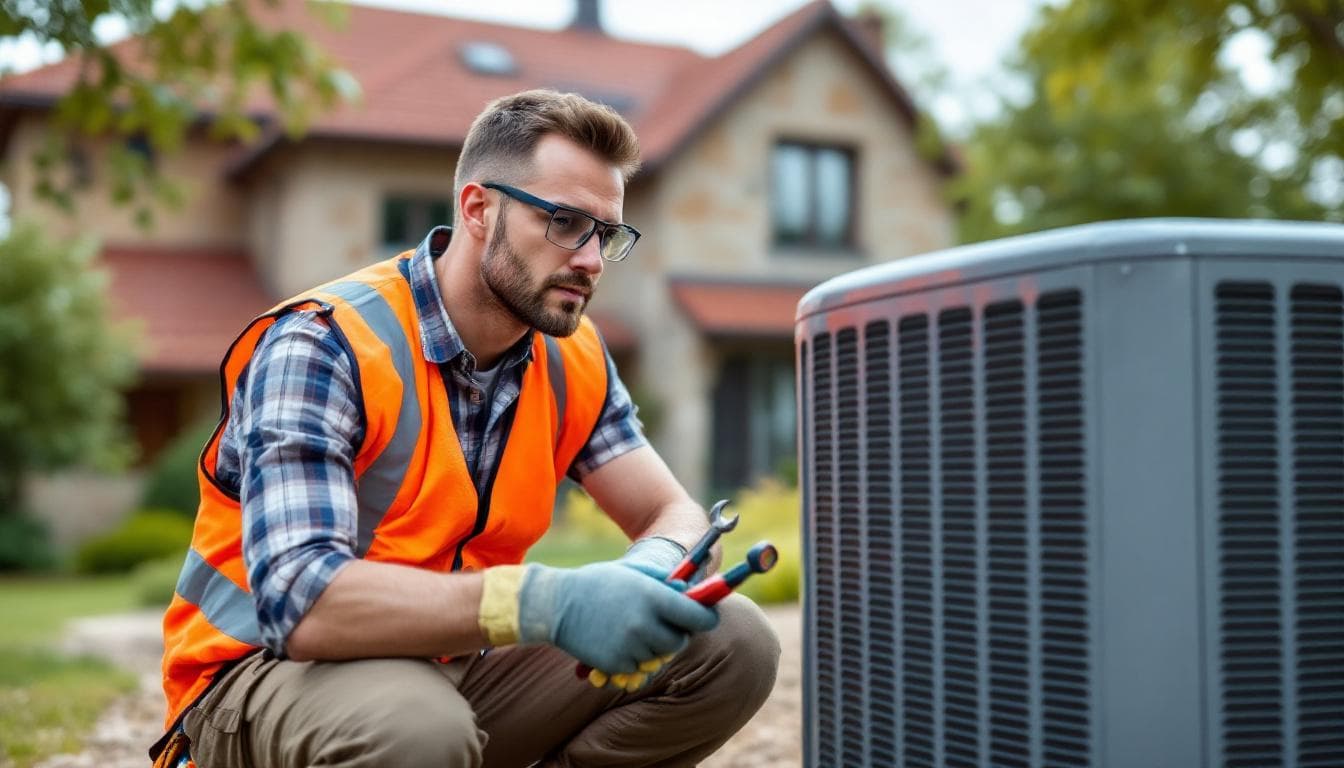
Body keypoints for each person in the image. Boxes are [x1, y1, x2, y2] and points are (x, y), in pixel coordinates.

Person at [150, 89, 780, 768]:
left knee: (732, 644)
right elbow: (301, 603)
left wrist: (656, 569)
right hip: (260, 677)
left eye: (606, 234)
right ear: (479, 209)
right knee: (417, 731)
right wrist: (549, 602)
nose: (592, 260)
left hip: (448, 669)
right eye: (565, 222)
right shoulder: (325, 344)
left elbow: (671, 512)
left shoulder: (571, 356)